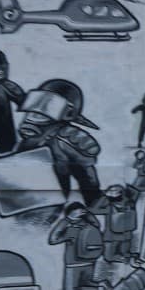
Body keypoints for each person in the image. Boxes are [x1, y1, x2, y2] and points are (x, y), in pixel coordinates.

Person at [15, 78, 102, 206]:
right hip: (25, 197)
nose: (35, 113)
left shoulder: (67, 139)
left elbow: (87, 177)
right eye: (37, 103)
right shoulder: (29, 138)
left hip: (52, 199)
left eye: (49, 106)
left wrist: (94, 201)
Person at [47, 202, 104, 290]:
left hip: (73, 264)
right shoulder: (90, 225)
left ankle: (98, 289)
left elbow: (52, 240)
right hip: (90, 261)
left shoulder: (71, 230)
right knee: (87, 283)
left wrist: (66, 220)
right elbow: (97, 224)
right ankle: (101, 284)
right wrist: (88, 213)